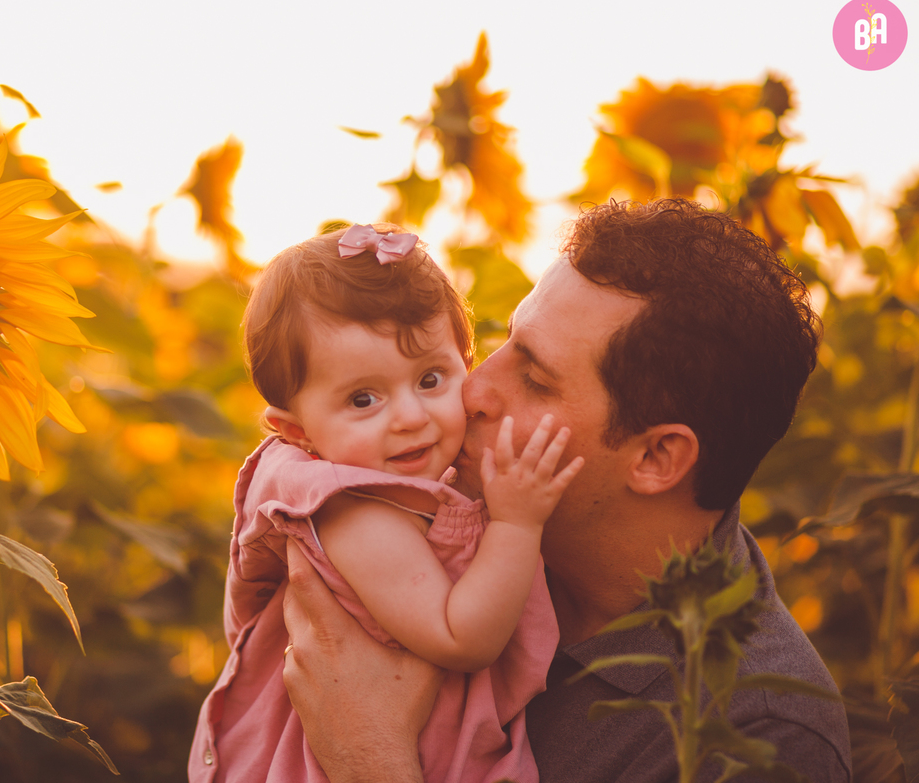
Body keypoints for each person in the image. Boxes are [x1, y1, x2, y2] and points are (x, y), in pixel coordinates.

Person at [280, 200, 854, 782]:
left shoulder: (755, 741)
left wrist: (368, 759)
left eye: (533, 378)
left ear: (656, 457)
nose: (473, 389)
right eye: (503, 340)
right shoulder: (430, 526)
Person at [189, 223, 582, 782]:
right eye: (364, 398)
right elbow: (460, 636)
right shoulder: (356, 513)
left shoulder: (395, 476)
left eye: (430, 378)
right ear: (295, 430)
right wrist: (517, 523)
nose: (410, 417)